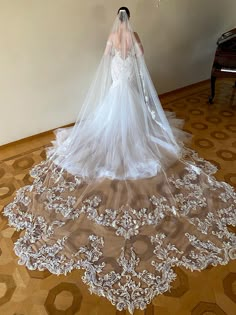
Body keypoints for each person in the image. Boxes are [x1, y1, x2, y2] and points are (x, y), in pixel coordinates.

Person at [3, 7, 236, 314]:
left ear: (117, 19)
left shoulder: (113, 35)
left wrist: (116, 60)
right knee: (137, 123)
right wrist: (131, 58)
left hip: (116, 84)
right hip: (127, 85)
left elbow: (105, 58)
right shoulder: (134, 35)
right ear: (130, 20)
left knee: (109, 121)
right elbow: (140, 56)